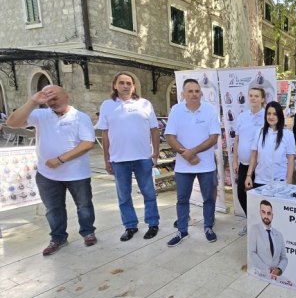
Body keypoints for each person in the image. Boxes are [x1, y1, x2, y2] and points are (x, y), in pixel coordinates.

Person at [6, 85, 96, 255]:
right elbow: (12, 123)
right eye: (48, 100)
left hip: (77, 173)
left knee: (84, 205)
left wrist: (60, 160)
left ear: (66, 96)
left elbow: (87, 143)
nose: (52, 103)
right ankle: (58, 238)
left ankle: (88, 231)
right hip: (47, 175)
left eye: (55, 98)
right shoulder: (40, 115)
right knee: (53, 209)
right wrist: (33, 102)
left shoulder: (80, 117)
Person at [98, 72, 160, 241]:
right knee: (124, 196)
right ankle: (130, 226)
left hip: (142, 157)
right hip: (119, 160)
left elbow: (154, 129)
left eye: (129, 83)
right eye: (122, 83)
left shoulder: (144, 104)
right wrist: (106, 159)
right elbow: (105, 134)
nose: (125, 86)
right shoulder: (107, 105)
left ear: (133, 86)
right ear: (115, 85)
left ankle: (153, 223)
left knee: (149, 192)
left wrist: (155, 152)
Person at [165, 79, 221, 247]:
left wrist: (193, 152)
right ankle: (182, 230)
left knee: (209, 199)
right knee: (182, 199)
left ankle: (208, 227)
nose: (194, 94)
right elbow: (169, 137)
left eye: (197, 91)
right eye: (190, 91)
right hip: (183, 166)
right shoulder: (176, 110)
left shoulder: (210, 110)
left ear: (201, 93)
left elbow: (213, 138)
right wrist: (187, 155)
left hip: (206, 166)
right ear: (183, 94)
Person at [233, 87, 266, 232]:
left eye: (257, 96)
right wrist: (234, 160)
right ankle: (250, 222)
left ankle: (260, 226)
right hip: (243, 164)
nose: (253, 98)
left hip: (260, 166)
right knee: (242, 194)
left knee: (258, 197)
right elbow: (237, 140)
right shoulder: (242, 116)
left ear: (263, 99)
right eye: (251, 95)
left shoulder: (267, 116)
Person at [245, 101, 295, 189]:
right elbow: (254, 155)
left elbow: (291, 159)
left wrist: (289, 180)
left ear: (279, 116)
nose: (271, 117)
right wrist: (249, 175)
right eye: (269, 113)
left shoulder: (288, 134)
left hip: (280, 182)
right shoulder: (259, 132)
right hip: (260, 181)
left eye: (275, 114)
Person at [248, 200, 288, 279]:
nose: (266, 216)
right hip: (259, 274)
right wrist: (267, 269)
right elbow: (252, 253)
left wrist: (279, 269)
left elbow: (284, 258)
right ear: (260, 213)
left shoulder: (279, 235)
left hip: (276, 277)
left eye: (269, 213)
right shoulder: (254, 229)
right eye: (263, 212)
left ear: (272, 215)